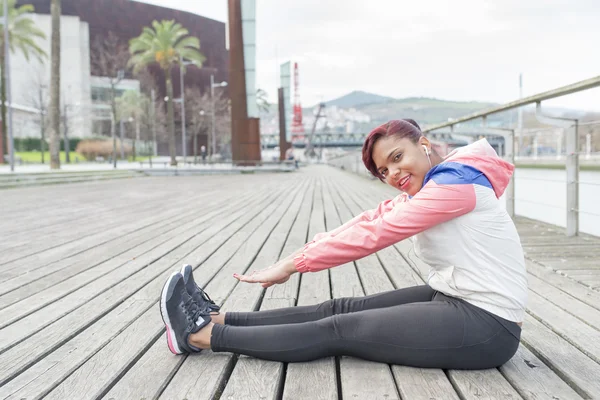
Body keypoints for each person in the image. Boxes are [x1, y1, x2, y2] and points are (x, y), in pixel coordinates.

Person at [159, 119, 528, 369]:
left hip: (488, 326)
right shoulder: (439, 181)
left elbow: (375, 236)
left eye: (397, 158)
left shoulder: (454, 187)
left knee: (338, 330)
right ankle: (217, 319)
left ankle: (200, 336)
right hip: (456, 297)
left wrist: (293, 266)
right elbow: (372, 218)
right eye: (384, 170)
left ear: (425, 144)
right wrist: (297, 255)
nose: (394, 175)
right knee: (339, 306)